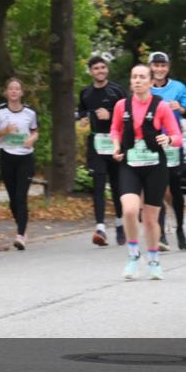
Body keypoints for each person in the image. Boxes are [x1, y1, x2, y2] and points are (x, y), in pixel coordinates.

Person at [111, 63, 183, 281]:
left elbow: (177, 136)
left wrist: (168, 139)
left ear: (151, 82)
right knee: (130, 210)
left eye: (142, 77)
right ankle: (134, 256)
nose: (137, 81)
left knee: (151, 218)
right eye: (134, 77)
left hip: (154, 166)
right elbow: (115, 129)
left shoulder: (161, 106)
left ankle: (154, 260)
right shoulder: (121, 105)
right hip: (130, 163)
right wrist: (116, 146)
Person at [148, 51, 186, 251]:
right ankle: (160, 234)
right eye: (156, 65)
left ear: (168, 67)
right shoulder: (144, 88)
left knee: (175, 190)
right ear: (151, 67)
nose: (159, 69)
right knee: (157, 189)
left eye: (163, 65)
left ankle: (180, 230)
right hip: (152, 144)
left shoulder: (178, 88)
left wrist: (182, 109)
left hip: (173, 143)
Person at [77, 55, 127, 246]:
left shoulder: (117, 90)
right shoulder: (86, 93)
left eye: (103, 68)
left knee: (116, 185)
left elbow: (129, 114)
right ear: (91, 72)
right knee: (98, 185)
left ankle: (120, 223)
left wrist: (111, 114)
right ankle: (100, 228)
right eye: (96, 68)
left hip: (115, 143)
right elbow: (81, 111)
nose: (100, 71)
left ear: (107, 70)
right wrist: (82, 118)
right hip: (97, 144)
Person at [0, 78, 38, 250]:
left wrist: (31, 139)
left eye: (17, 89)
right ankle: (21, 226)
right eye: (11, 89)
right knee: (13, 199)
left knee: (21, 197)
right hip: (7, 157)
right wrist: (4, 131)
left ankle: (20, 234)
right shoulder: (1, 113)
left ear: (22, 92)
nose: (14, 91)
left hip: (25, 158)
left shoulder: (30, 113)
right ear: (6, 92)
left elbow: (35, 131)